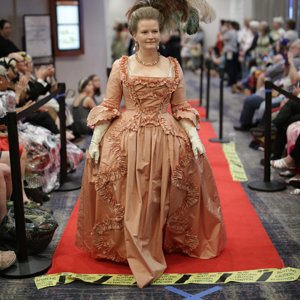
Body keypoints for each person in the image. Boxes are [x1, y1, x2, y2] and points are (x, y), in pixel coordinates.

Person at [76, 0, 226, 288]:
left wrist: (194, 137)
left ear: (161, 32)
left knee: (160, 192)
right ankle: (129, 245)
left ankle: (159, 239)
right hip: (127, 139)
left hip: (166, 138)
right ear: (134, 34)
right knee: (128, 194)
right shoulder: (122, 67)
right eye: (145, 32)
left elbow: (181, 107)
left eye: (155, 31)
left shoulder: (173, 66)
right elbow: (109, 105)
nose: (151, 37)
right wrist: (95, 141)